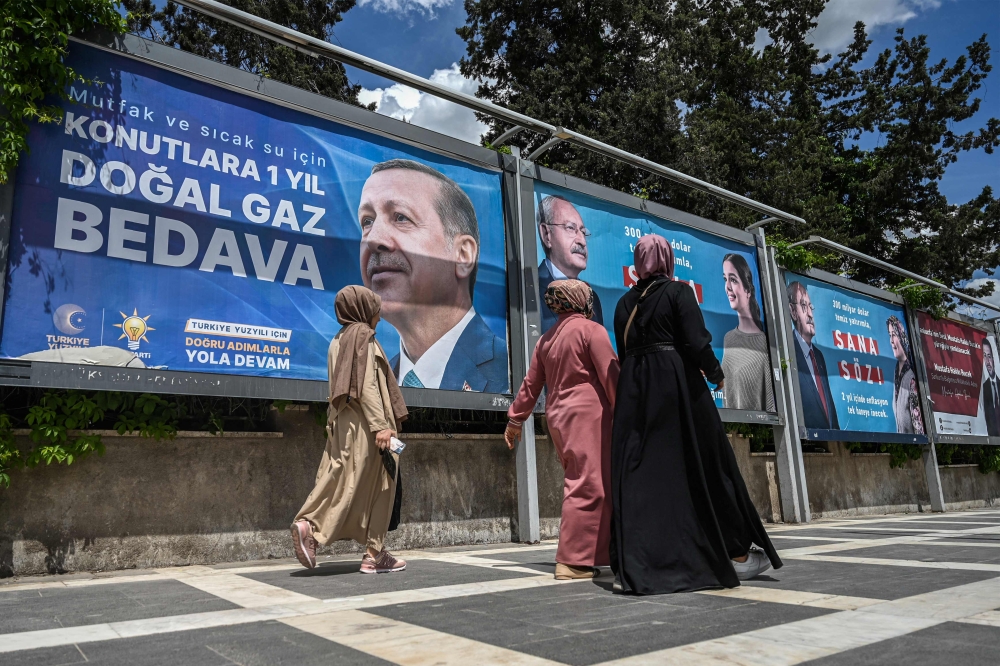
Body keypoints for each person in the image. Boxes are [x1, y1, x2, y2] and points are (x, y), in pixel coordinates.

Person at [609, 235, 781, 595]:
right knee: (708, 463)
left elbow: (624, 352)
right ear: (667, 259)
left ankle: (639, 560)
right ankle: (734, 552)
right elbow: (696, 341)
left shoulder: (624, 303)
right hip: (677, 388)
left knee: (644, 476)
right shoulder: (679, 292)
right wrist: (716, 374)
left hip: (635, 392)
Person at [358, 159, 508, 393]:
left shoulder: (512, 371)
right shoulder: (371, 384)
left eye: (400, 217)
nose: (373, 239)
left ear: (462, 255)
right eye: (367, 221)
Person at [505, 280, 619, 580]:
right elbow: (612, 376)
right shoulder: (591, 330)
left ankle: (592, 555)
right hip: (588, 418)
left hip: (559, 418)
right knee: (587, 484)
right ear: (581, 300)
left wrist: (515, 420)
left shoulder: (546, 340)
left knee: (586, 481)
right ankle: (572, 561)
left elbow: (531, 386)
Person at [291, 285, 409, 574]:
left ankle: (368, 550)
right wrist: (381, 426)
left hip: (345, 424)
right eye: (375, 309)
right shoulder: (362, 337)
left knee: (344, 479)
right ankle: (323, 531)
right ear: (362, 309)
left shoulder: (339, 339)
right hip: (366, 427)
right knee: (377, 485)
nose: (379, 316)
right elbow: (367, 385)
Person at [536, 195, 604, 333]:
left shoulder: (592, 298)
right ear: (547, 235)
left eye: (583, 232)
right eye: (570, 228)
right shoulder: (530, 289)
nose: (582, 241)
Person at [720, 253, 775, 412]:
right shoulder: (729, 339)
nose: (727, 287)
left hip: (758, 425)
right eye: (725, 279)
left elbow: (771, 401)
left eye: (733, 280)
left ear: (748, 289)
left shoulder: (764, 342)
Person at [787, 281, 840, 430]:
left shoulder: (818, 356)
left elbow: (829, 410)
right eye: (804, 306)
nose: (810, 314)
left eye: (810, 307)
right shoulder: (788, 350)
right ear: (793, 311)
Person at [887, 315, 921, 434]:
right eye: (890, 335)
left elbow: (919, 430)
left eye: (894, 335)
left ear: (902, 336)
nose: (891, 340)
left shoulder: (911, 379)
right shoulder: (896, 373)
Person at [983, 338, 999, 437]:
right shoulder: (984, 388)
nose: (987, 361)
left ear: (993, 358)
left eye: (989, 356)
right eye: (984, 356)